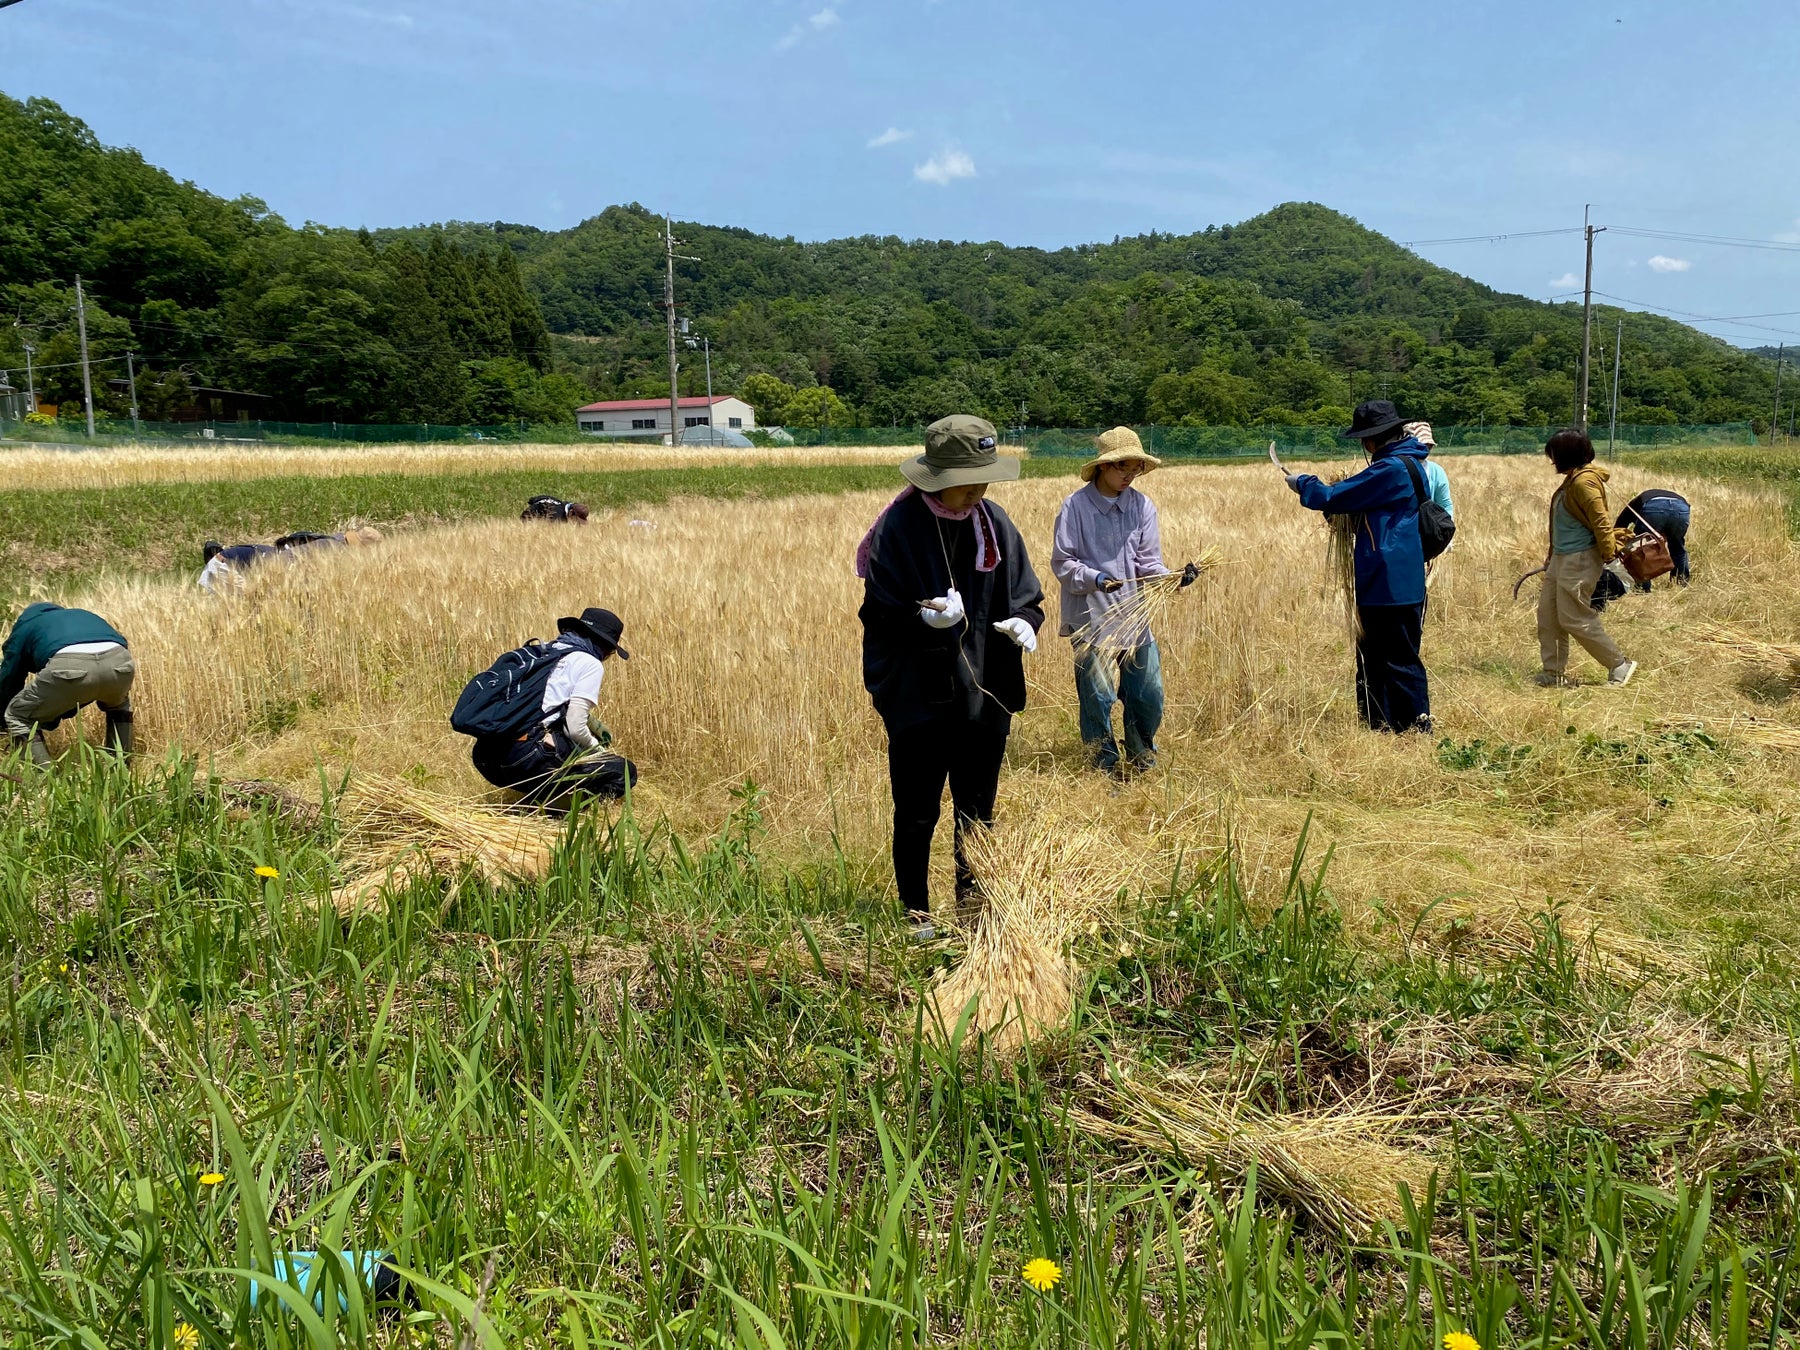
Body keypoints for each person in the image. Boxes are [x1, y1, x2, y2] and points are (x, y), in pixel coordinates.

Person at [857, 414, 1045, 940]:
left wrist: (1024, 622)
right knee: (917, 809)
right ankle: (916, 913)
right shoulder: (901, 527)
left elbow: (1028, 595)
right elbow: (878, 611)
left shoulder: (994, 523)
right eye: (966, 484)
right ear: (936, 478)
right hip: (918, 692)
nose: (976, 493)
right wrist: (922, 618)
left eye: (983, 482)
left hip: (986, 688)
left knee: (977, 809)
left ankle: (973, 909)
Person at [1284, 400, 1433, 733]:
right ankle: (1381, 724)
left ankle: (1413, 729)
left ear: (1371, 440)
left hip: (1387, 580)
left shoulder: (1390, 469)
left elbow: (1334, 496)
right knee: (1381, 655)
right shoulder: (1409, 462)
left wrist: (1304, 483)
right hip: (1400, 576)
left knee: (1394, 657)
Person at [1051, 426, 1174, 774]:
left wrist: (1171, 577)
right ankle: (1102, 766)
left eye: (1136, 468)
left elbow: (1148, 562)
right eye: (1123, 467)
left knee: (1148, 694)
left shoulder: (1142, 506)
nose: (1129, 475)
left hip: (1135, 617)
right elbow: (1063, 563)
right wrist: (1095, 578)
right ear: (1103, 466)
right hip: (1092, 618)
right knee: (1098, 697)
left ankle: (1141, 757)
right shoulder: (1075, 507)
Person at [468, 607, 638, 808]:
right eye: (611, 651)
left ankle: (533, 803)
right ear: (604, 645)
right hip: (525, 759)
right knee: (624, 772)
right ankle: (549, 811)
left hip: (486, 757)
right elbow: (575, 728)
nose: (608, 656)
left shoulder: (543, 651)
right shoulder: (590, 663)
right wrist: (599, 752)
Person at [1534, 430, 1636, 687]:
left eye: (1554, 454)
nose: (1551, 460)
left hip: (1579, 559)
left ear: (1566, 454)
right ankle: (1553, 672)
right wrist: (1551, 557)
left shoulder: (1584, 482)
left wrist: (1608, 554)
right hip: (1561, 558)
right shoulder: (1573, 479)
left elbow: (1601, 521)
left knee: (1574, 617)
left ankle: (1619, 664)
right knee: (1549, 616)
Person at [1, 602, 136, 767]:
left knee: (17, 716)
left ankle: (43, 777)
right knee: (119, 706)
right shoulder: (81, 615)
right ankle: (121, 769)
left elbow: (8, 677)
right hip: (120, 663)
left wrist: (3, 717)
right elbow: (120, 644)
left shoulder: (26, 626)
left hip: (70, 667)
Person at [1592, 488, 1691, 608]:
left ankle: (1642, 589)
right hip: (1682, 508)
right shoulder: (1649, 498)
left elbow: (1620, 524)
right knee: (1677, 548)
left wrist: (1615, 546)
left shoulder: (1633, 505)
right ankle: (1681, 584)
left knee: (1642, 549)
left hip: (1654, 507)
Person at [198, 540, 279, 592]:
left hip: (218, 565)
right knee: (251, 595)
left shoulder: (270, 552)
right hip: (222, 565)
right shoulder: (276, 557)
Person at [522, 496, 590, 524]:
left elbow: (534, 499)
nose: (576, 523)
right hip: (527, 520)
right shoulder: (556, 516)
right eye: (576, 520)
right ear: (571, 512)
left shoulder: (561, 504)